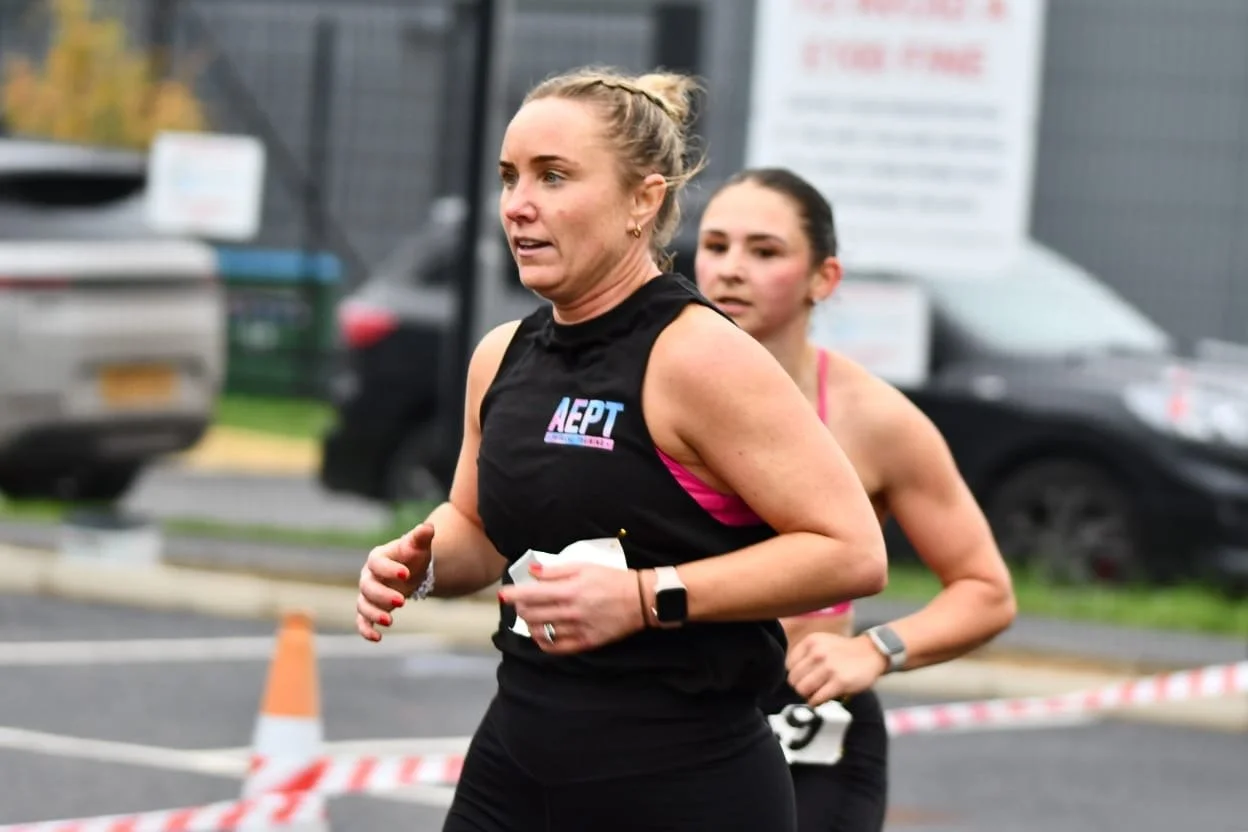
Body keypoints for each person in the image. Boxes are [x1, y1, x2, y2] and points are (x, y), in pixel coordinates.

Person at [354, 69, 889, 832]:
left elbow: (851, 552)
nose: (519, 205)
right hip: (517, 765)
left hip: (683, 778)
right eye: (509, 178)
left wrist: (648, 597)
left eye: (554, 176)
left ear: (644, 199)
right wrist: (423, 559)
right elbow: (478, 530)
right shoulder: (503, 355)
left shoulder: (697, 355)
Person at [693, 167, 1017, 832]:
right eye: (715, 245)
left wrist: (875, 650)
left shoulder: (873, 419)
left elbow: (986, 590)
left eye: (765, 251)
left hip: (807, 718)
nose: (731, 269)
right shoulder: (651, 391)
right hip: (671, 711)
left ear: (824, 279)